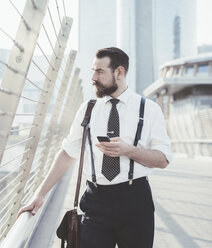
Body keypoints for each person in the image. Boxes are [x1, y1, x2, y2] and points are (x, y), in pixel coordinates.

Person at [17, 47, 172, 248]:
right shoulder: (87, 109)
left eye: (99, 71)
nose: (93, 77)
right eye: (93, 70)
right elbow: (67, 153)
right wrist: (40, 194)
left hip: (135, 201)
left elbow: (163, 159)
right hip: (96, 201)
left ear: (119, 72)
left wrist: (128, 150)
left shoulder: (149, 109)